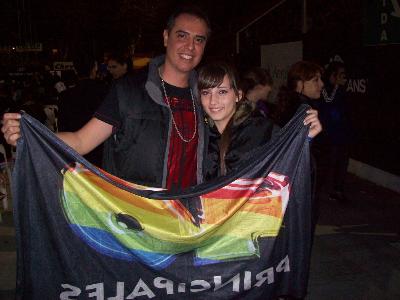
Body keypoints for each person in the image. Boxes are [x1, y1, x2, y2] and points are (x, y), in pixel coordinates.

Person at [2, 4, 211, 193]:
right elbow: (81, 141)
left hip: (190, 221)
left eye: (198, 40)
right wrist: (29, 133)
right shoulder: (128, 91)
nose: (190, 47)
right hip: (138, 219)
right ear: (166, 37)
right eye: (182, 36)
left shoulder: (209, 97)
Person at [198, 62, 322, 181]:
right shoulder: (198, 135)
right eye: (206, 92)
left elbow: (289, 169)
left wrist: (304, 140)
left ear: (238, 95)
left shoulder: (261, 130)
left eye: (222, 92)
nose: (213, 101)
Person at [58, 59, 109, 166]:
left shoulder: (66, 96)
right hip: (102, 151)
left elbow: (62, 127)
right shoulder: (106, 92)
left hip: (75, 153)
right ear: (95, 68)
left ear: (76, 70)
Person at [318, 61, 352, 203]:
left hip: (342, 136)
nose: (345, 77)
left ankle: (337, 190)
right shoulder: (323, 92)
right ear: (333, 75)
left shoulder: (342, 92)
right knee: (327, 164)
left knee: (341, 163)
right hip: (327, 137)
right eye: (342, 74)